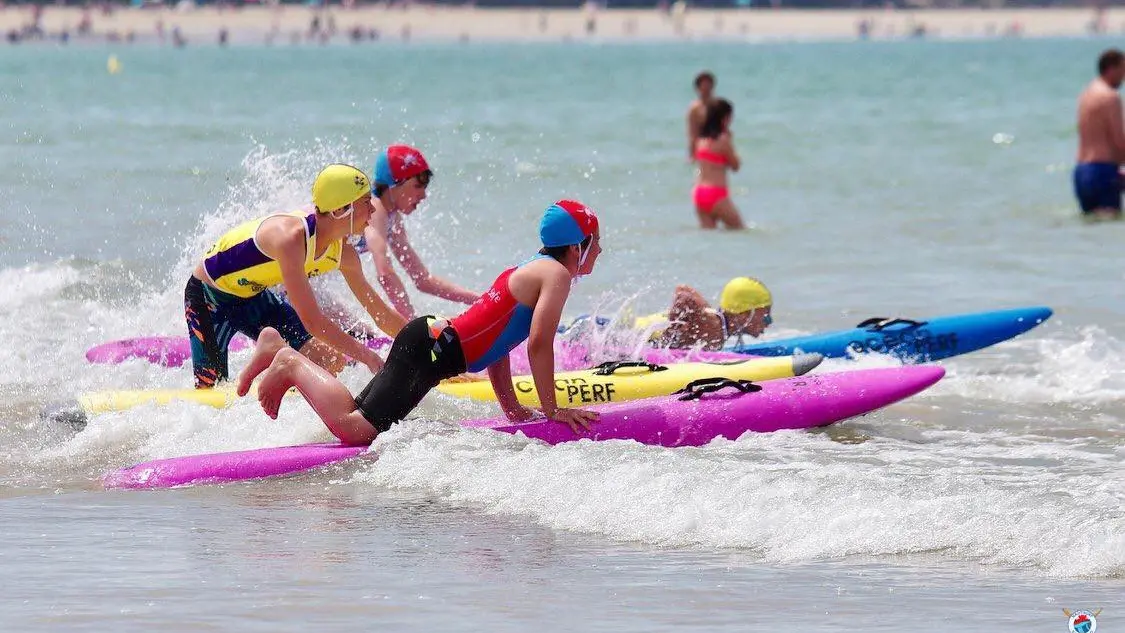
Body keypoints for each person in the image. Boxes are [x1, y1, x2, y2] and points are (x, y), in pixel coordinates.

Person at [236, 200, 604, 445]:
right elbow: (539, 342)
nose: (599, 251)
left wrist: (512, 408)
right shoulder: (556, 274)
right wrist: (553, 410)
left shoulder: (530, 267)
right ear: (577, 246)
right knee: (357, 430)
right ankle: (288, 360)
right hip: (431, 351)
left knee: (360, 414)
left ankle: (279, 353)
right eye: (596, 242)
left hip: (429, 342)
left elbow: (500, 342)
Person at [185, 164, 406, 389]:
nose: (373, 211)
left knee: (332, 361)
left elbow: (381, 315)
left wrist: (427, 345)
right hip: (208, 297)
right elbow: (312, 321)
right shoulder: (290, 238)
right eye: (366, 202)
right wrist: (368, 356)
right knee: (208, 388)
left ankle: (268, 370)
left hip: (253, 298)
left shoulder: (345, 255)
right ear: (340, 210)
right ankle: (253, 377)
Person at [362, 144, 480, 321]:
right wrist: (410, 324)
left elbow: (423, 280)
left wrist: (480, 301)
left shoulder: (392, 218)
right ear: (394, 185)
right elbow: (385, 274)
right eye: (418, 186)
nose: (424, 195)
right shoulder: (375, 209)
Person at [648, 277, 773, 351]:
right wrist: (668, 337)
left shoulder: (718, 326)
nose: (769, 323)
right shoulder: (713, 326)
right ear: (745, 313)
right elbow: (683, 293)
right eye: (766, 317)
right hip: (640, 333)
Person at [1075, 48, 1125, 219]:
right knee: (1109, 227)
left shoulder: (1086, 94)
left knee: (1092, 227)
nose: (1123, 77)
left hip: (1081, 172)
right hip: (1103, 172)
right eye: (1122, 70)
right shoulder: (1111, 97)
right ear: (1111, 69)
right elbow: (1119, 141)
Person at [693, 98, 745, 229]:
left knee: (708, 237)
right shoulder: (723, 141)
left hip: (699, 192)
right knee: (739, 230)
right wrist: (731, 142)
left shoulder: (701, 141)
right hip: (716, 193)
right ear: (724, 118)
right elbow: (735, 166)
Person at [686, 71, 716, 161]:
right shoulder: (694, 108)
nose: (706, 88)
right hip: (702, 148)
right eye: (704, 86)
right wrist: (692, 153)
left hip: (718, 146)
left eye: (709, 85)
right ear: (698, 88)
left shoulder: (718, 105)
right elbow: (692, 132)